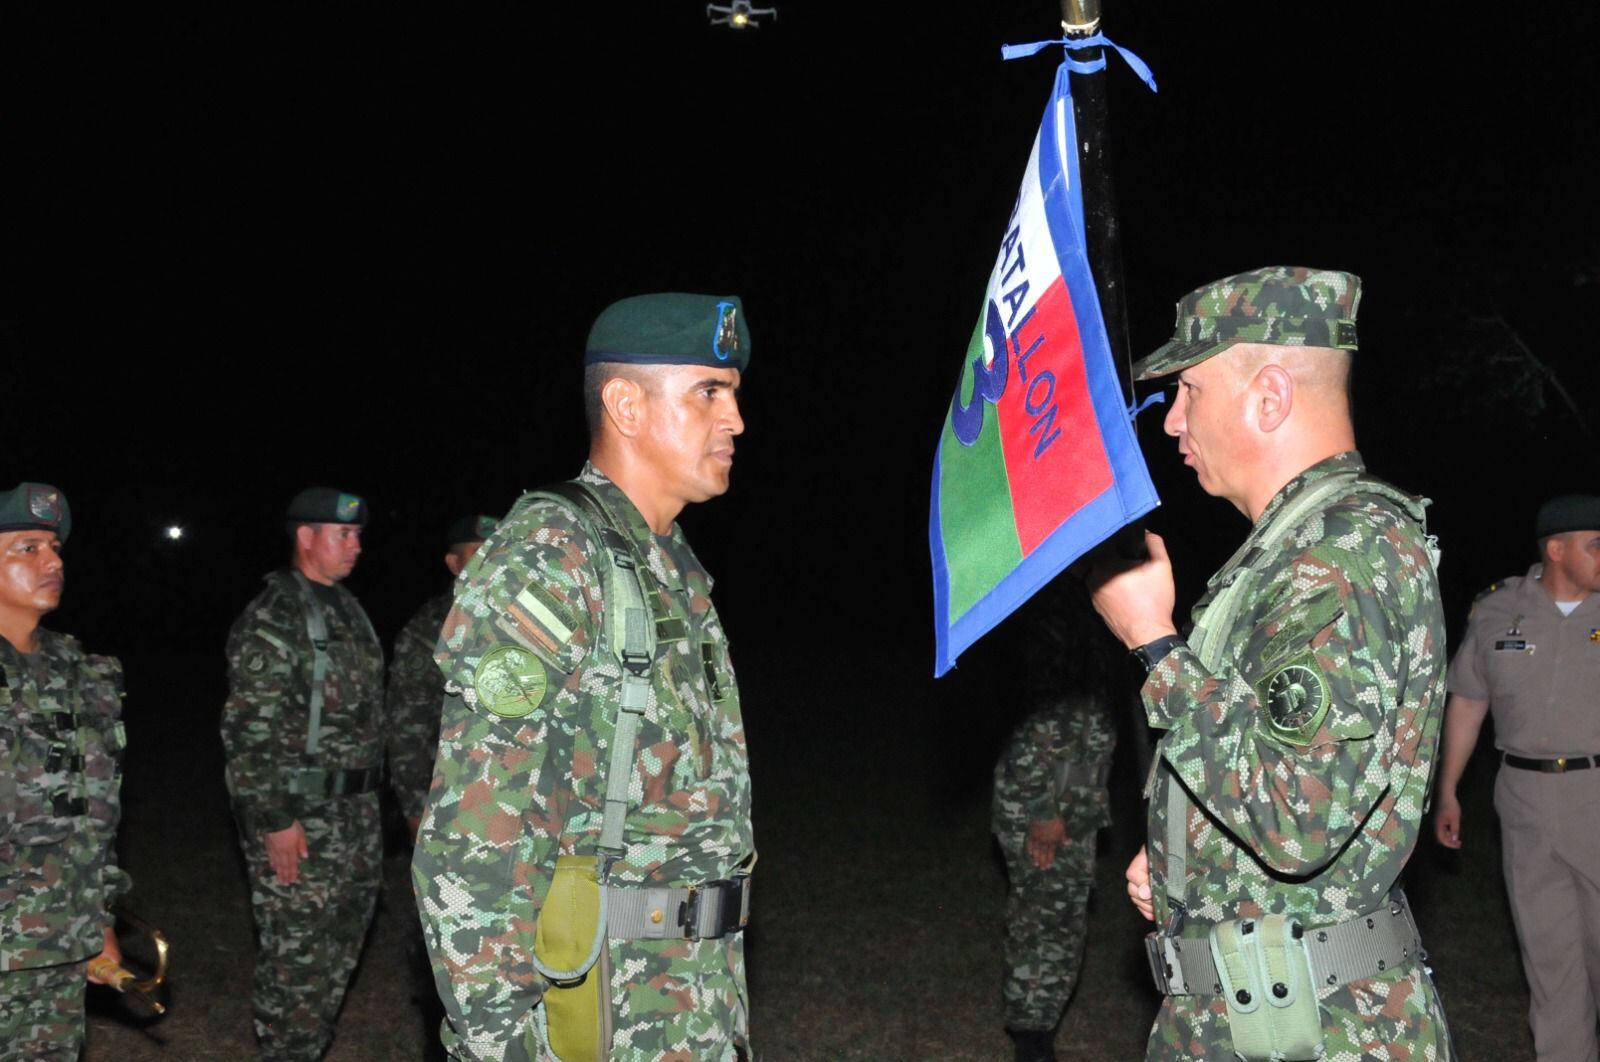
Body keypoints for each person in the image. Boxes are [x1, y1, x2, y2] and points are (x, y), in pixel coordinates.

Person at [1090, 267, 1452, 1061]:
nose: (1172, 421)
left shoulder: (1337, 558)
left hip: (1316, 1031)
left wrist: (1155, 644)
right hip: (1259, 1018)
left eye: (1189, 390)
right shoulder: (1289, 553)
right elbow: (1286, 766)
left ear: (1270, 397)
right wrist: (1192, 846)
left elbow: (1297, 818)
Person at [413, 293, 755, 1061]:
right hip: (601, 1011)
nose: (734, 420)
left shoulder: (669, 566)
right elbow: (474, 843)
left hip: (690, 1003)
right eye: (709, 392)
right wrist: (502, 1043)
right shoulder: (552, 561)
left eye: (733, 394)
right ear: (625, 404)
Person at [220, 487, 386, 1059]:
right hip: (303, 820)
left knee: (336, 961)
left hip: (355, 818)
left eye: (359, 534)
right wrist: (274, 819)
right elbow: (248, 732)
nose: (356, 545)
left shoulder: (346, 607)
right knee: (296, 968)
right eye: (344, 534)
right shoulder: (276, 615)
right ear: (305, 537)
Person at [1434, 493, 1600, 1061]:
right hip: (1523, 799)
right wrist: (1449, 790)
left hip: (1596, 795)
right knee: (1550, 960)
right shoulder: (1498, 610)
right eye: (1596, 545)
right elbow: (1467, 701)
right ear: (1556, 550)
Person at [0, 483, 131, 1058]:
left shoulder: (80, 673)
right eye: (26, 547)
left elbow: (91, 815)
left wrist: (98, 920)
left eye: (53, 547)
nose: (52, 561)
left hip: (55, 946)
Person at [992, 581, 1117, 1062]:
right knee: (1042, 921)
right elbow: (1029, 727)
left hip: (1076, 798)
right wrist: (1045, 812)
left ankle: (1039, 1030)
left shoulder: (1086, 609)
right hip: (1042, 804)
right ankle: (1032, 1038)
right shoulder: (1050, 614)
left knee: (1064, 921)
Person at [386, 513, 498, 838]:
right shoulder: (430, 630)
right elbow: (407, 725)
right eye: (478, 554)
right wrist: (415, 806)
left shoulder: (528, 623)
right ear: (453, 563)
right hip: (452, 803)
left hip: (520, 800)